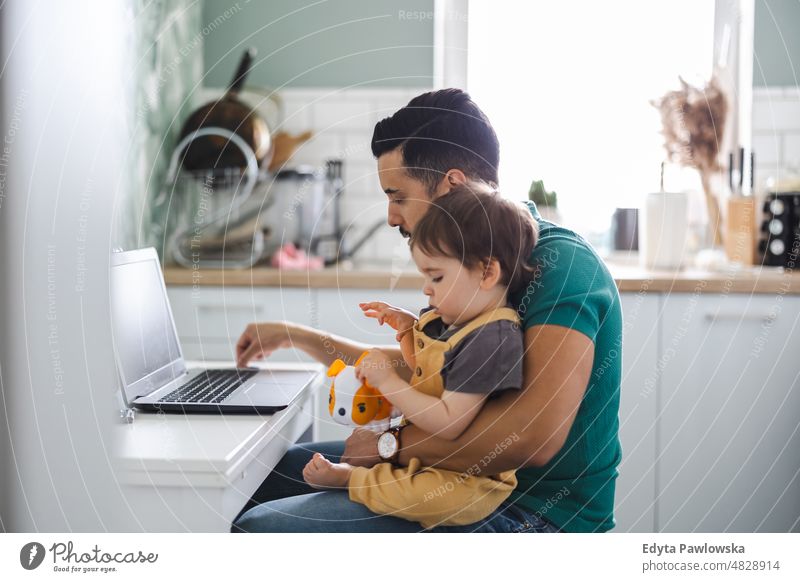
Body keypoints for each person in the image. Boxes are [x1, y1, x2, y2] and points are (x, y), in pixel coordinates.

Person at [232, 88, 622, 533]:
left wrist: (388, 444)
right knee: (268, 477)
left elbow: (532, 437)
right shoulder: (467, 259)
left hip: (535, 513)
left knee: (265, 528)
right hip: (456, 476)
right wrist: (296, 337)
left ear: (452, 185)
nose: (392, 217)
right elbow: (435, 369)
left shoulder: (561, 266)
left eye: (398, 196)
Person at [302, 184, 538, 529]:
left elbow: (449, 419)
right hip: (432, 456)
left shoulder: (491, 339)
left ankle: (352, 480)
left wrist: (388, 382)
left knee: (429, 497)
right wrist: (408, 333)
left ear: (487, 273)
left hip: (467, 481)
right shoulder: (461, 321)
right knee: (408, 479)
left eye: (437, 277)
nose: (427, 288)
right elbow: (434, 377)